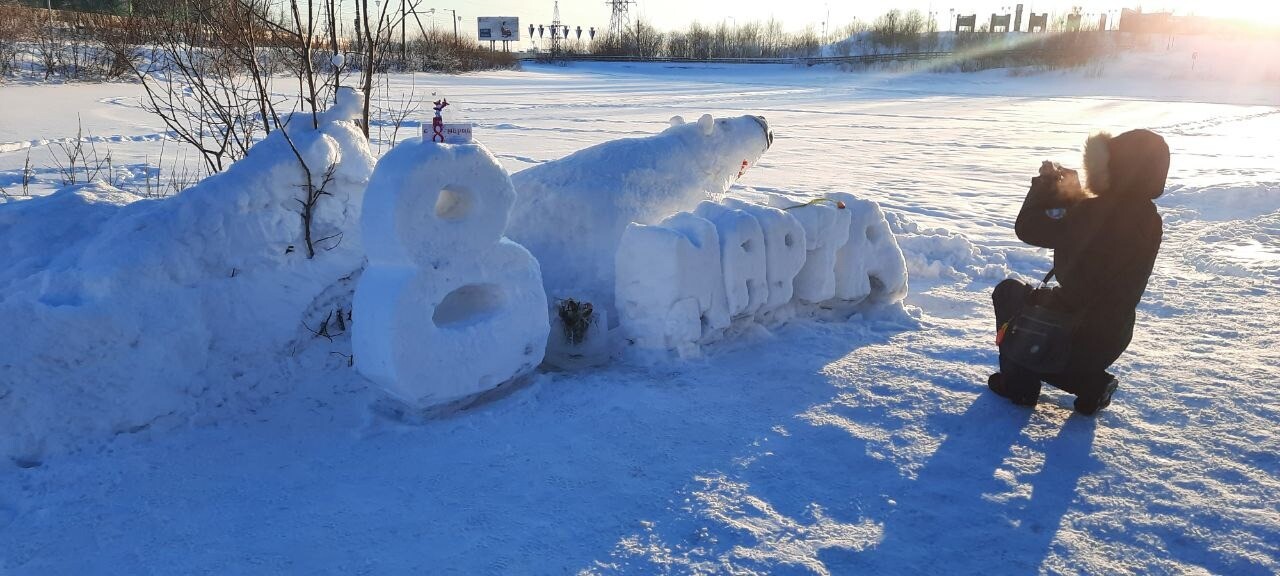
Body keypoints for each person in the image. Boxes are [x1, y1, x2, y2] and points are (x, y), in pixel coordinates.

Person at [988, 129, 1168, 414]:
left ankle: (1018, 384)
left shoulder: (1090, 214)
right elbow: (1095, 227)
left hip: (1072, 330)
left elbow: (1028, 227)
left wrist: (1046, 184)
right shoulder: (1149, 218)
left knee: (1009, 294)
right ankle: (1091, 384)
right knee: (1056, 343)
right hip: (1112, 333)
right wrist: (1073, 191)